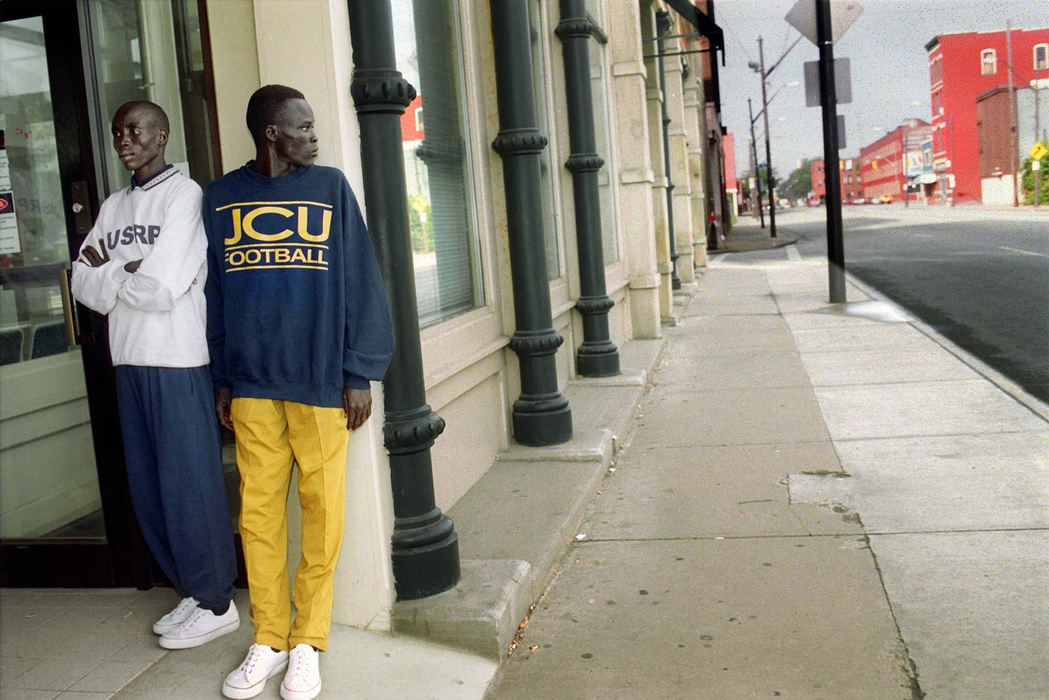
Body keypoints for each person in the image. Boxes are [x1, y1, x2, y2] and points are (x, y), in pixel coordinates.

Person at [203, 85, 394, 700]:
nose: (314, 136)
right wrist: (223, 379)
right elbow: (214, 297)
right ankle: (269, 638)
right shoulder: (222, 198)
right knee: (257, 518)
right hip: (254, 385)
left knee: (322, 517)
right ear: (271, 135)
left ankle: (308, 642)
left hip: (319, 384)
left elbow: (361, 279)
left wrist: (358, 370)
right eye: (303, 127)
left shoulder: (331, 188)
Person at [71, 101, 239, 650]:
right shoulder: (114, 204)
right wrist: (125, 272)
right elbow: (79, 280)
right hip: (128, 359)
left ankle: (217, 601)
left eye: (136, 130)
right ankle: (191, 589)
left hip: (178, 359)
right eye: (118, 131)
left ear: (162, 135)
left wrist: (109, 272)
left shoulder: (184, 196)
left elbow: (164, 286)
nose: (125, 139)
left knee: (190, 484)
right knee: (151, 489)